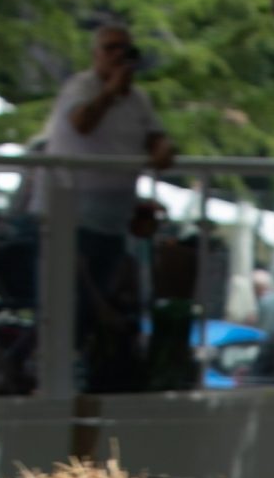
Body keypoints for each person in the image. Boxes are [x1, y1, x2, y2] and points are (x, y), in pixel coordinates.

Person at [35, 23, 177, 392]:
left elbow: (156, 136)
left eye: (126, 51)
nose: (119, 57)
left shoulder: (138, 100)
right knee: (76, 296)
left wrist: (162, 150)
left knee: (111, 294)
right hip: (74, 214)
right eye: (111, 49)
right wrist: (110, 92)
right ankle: (59, 368)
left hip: (115, 217)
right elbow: (82, 123)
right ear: (97, 54)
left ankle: (102, 366)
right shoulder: (81, 87)